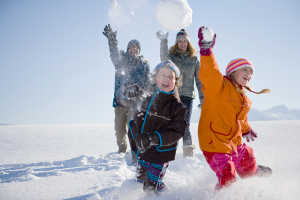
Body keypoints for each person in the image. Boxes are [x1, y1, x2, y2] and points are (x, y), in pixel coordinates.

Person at [197, 26, 272, 190]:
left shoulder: (244, 98)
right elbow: (210, 72)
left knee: (248, 156)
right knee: (228, 174)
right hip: (215, 143)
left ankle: (252, 174)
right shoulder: (219, 87)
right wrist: (206, 51)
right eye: (245, 69)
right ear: (232, 72)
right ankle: (224, 194)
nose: (249, 74)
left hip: (233, 142)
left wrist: (245, 129)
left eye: (251, 72)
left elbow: (241, 118)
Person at [117, 60, 187, 195]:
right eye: (163, 74)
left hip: (160, 155)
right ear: (155, 78)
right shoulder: (144, 95)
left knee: (151, 188)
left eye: (171, 76)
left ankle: (165, 195)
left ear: (176, 82)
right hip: (142, 151)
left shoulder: (177, 107)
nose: (166, 78)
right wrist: (124, 92)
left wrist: (153, 138)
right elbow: (123, 101)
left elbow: (177, 131)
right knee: (139, 181)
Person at [103, 24, 150, 165]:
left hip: (134, 104)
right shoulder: (121, 61)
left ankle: (136, 157)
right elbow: (114, 55)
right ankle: (122, 153)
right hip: (119, 102)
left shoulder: (143, 64)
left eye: (137, 47)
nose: (134, 48)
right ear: (128, 48)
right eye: (132, 46)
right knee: (119, 131)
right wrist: (112, 41)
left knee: (134, 130)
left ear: (139, 50)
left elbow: (147, 83)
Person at [156, 29, 204, 157]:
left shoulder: (194, 60)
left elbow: (199, 81)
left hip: (188, 96)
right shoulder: (172, 57)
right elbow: (163, 58)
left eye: (184, 41)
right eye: (180, 41)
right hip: (173, 95)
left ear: (188, 43)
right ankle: (165, 154)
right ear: (176, 43)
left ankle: (188, 156)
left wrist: (202, 98)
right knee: (169, 124)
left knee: (185, 126)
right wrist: (163, 41)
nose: (182, 44)